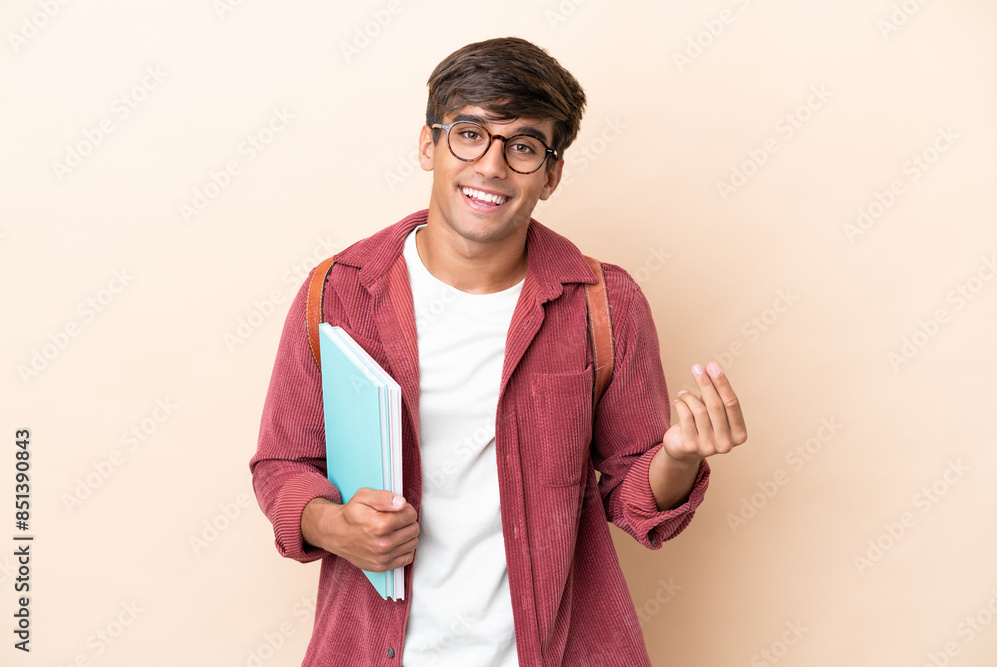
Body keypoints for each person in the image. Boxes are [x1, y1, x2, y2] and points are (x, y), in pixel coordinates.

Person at [249, 36, 747, 666]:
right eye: (470, 133)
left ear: (552, 172)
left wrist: (675, 456)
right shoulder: (340, 291)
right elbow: (280, 464)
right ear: (429, 144)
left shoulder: (602, 302)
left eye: (522, 146)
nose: (491, 166)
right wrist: (332, 527)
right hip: (375, 648)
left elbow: (636, 497)